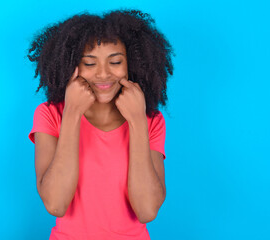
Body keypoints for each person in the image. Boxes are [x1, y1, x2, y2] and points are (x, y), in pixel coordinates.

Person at [27, 9, 174, 240]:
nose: (103, 74)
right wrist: (73, 112)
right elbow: (55, 204)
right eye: (89, 63)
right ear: (71, 65)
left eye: (115, 61)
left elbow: (147, 210)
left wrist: (136, 121)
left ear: (132, 64)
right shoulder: (50, 115)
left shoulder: (151, 121)